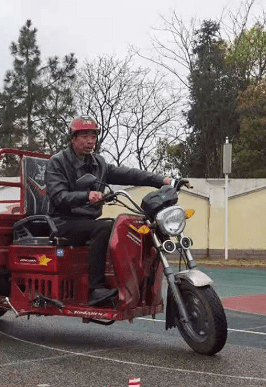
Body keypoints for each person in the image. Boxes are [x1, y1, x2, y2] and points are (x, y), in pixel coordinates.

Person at [46, 117, 173, 306]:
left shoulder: (98, 163)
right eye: (84, 136)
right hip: (62, 220)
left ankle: (131, 282)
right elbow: (59, 197)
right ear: (73, 138)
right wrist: (86, 196)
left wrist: (162, 180)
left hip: (87, 221)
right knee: (104, 228)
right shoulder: (58, 162)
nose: (91, 140)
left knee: (127, 227)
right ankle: (95, 289)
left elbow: (128, 174)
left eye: (93, 135)